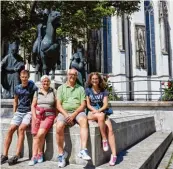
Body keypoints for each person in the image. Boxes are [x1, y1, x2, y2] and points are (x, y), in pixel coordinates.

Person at [1, 70, 38, 165]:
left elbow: (37, 92)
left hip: (28, 112)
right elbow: (15, 101)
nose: (24, 78)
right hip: (19, 112)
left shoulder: (32, 86)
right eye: (22, 77)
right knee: (10, 129)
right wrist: (15, 113)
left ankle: (17, 155)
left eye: (26, 77)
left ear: (28, 77)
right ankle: (4, 155)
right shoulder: (17, 88)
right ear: (20, 77)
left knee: (21, 129)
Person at [56, 68, 91, 168]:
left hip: (77, 111)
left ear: (76, 76)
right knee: (59, 126)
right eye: (70, 74)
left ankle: (83, 150)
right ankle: (61, 154)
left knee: (84, 120)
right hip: (64, 112)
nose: (72, 76)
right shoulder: (61, 88)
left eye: (74, 75)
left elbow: (83, 105)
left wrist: (74, 114)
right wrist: (67, 115)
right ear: (67, 75)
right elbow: (58, 105)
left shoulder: (80, 88)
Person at [85, 72, 117, 166]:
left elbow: (106, 104)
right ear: (90, 80)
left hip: (101, 111)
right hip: (91, 112)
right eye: (93, 79)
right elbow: (88, 104)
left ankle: (114, 155)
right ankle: (104, 139)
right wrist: (95, 110)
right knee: (101, 116)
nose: (95, 80)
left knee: (110, 129)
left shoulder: (103, 91)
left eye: (96, 78)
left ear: (99, 80)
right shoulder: (88, 90)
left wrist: (99, 110)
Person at [28, 75, 57, 166]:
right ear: (41, 83)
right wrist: (34, 116)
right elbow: (33, 105)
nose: (46, 83)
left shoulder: (53, 91)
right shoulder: (37, 92)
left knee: (40, 134)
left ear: (49, 82)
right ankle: (37, 154)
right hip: (37, 115)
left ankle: (37, 155)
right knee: (35, 135)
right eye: (44, 81)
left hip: (49, 116)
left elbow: (57, 105)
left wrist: (56, 116)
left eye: (47, 81)